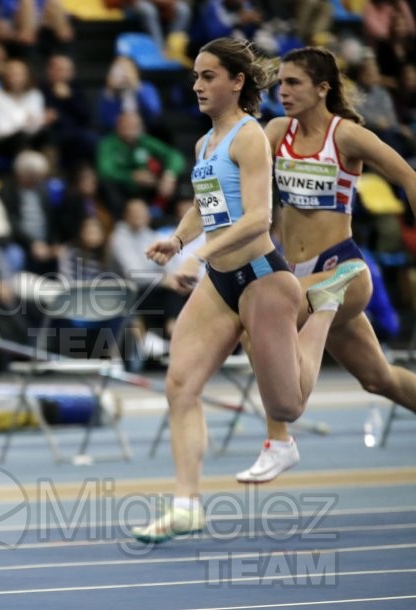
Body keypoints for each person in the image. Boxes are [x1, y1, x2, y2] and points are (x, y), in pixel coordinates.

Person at [131, 38, 367, 544]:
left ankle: (323, 306)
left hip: (262, 277)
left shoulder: (249, 137)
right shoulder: (204, 145)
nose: (197, 85)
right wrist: (176, 240)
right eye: (195, 76)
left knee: (287, 406)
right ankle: (186, 505)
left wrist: (197, 254)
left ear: (236, 82)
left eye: (208, 76)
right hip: (221, 282)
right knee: (180, 385)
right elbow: (206, 207)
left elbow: (258, 218)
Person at [235, 46, 416, 484]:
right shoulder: (278, 131)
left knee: (257, 323)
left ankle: (279, 440)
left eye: (294, 83)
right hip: (294, 271)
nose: (284, 91)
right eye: (280, 83)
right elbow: (234, 157)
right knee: (379, 380)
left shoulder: (346, 136)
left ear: (322, 88)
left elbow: (409, 176)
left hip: (343, 269)